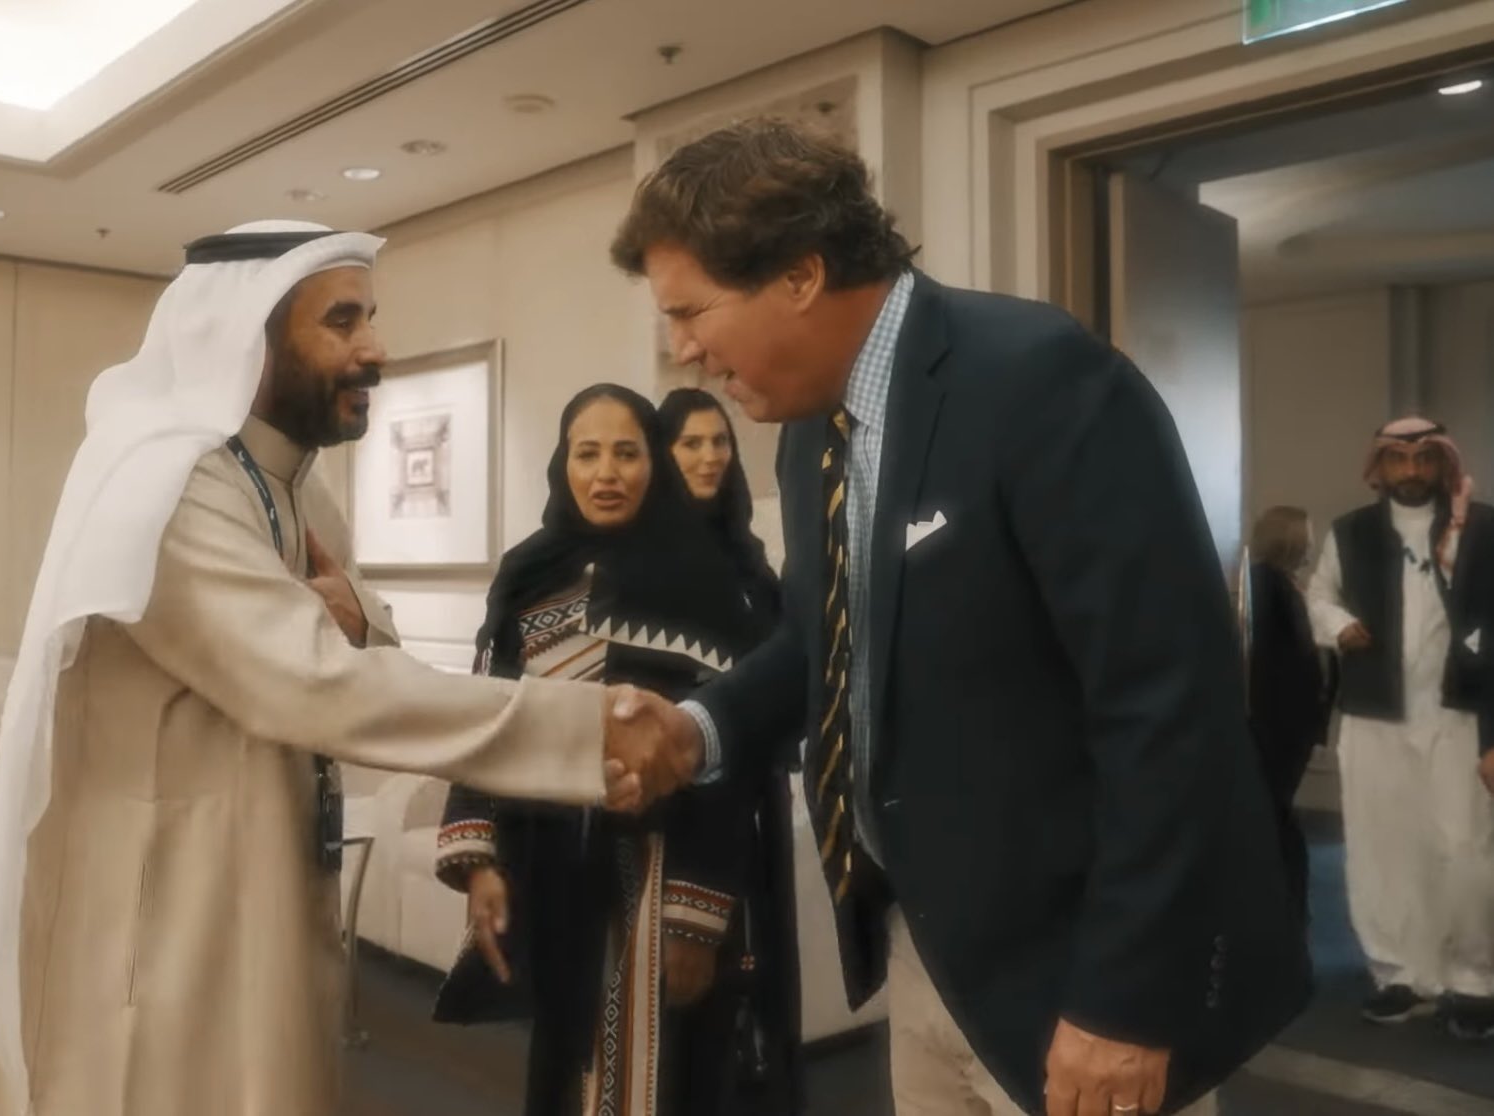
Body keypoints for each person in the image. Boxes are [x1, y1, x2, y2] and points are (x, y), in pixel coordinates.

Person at [606, 120, 1309, 1116]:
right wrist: (698, 728)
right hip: (927, 952)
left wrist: (1124, 1002)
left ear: (799, 275)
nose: (681, 350)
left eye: (689, 312)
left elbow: (1167, 706)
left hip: (1080, 980)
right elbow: (820, 640)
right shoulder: (807, 435)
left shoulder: (1035, 381)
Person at [0, 223, 691, 1116]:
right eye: (342, 322)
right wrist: (588, 728)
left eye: (370, 318)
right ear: (251, 340)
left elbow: (362, 629)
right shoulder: (171, 490)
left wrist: (352, 614)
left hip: (265, 886)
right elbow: (318, 681)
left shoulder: (290, 484)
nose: (374, 349)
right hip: (159, 921)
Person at [431, 384, 786, 1116]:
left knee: (669, 1078)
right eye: (587, 454)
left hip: (666, 874)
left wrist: (695, 915)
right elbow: (488, 716)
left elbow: (734, 759)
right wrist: (481, 859)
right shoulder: (527, 574)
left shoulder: (705, 581)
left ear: (653, 462)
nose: (606, 473)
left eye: (626, 453)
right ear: (562, 463)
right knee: (567, 1070)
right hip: (556, 875)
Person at [1305, 416, 1494, 1039]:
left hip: (1460, 716)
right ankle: (1399, 975)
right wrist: (1337, 625)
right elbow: (1317, 595)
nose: (1411, 471)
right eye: (1397, 459)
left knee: (1466, 849)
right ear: (1378, 467)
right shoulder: (1350, 532)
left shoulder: (1484, 528)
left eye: (1424, 459)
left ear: (1444, 463)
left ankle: (1474, 980)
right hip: (1375, 716)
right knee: (1383, 849)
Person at [657, 386, 802, 1114]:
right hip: (682, 827)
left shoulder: (749, 564)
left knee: (758, 1004)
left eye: (719, 441)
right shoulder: (646, 570)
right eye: (691, 443)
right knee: (688, 1032)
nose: (710, 456)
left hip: (756, 812)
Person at [1246, 506, 1331, 924]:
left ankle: (1288, 907)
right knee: (1275, 814)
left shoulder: (1282, 584)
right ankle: (1285, 910)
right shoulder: (1266, 584)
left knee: (1277, 812)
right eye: (1307, 536)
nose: (1312, 545)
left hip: (1288, 722)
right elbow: (1270, 661)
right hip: (1276, 722)